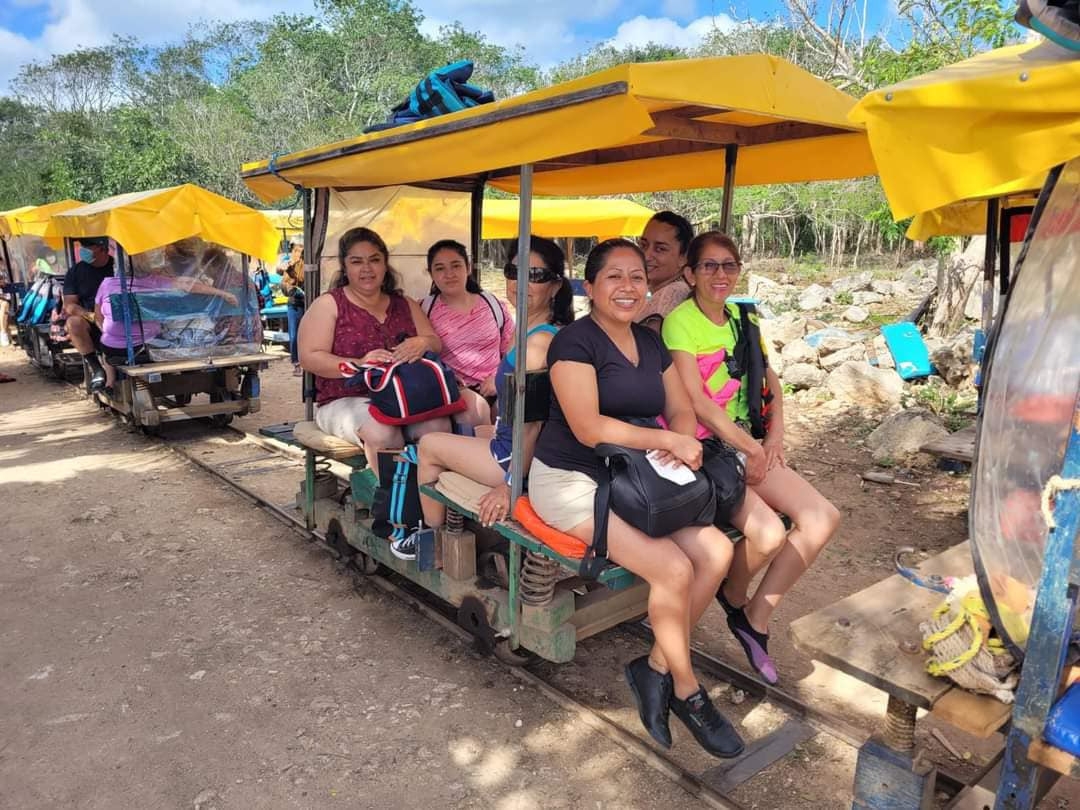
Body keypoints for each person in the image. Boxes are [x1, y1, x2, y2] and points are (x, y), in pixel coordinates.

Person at [528, 237, 743, 759]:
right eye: (615, 277)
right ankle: (689, 694)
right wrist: (666, 440)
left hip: (638, 473)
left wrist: (683, 440)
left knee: (716, 552)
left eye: (638, 277)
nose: (628, 287)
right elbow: (586, 426)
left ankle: (654, 669)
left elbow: (681, 406)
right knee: (673, 569)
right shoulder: (575, 343)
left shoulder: (649, 343)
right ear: (590, 286)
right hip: (573, 478)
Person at [662, 232, 840, 685]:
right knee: (767, 535)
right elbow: (697, 400)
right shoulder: (680, 323)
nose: (720, 275)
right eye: (709, 266)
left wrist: (774, 437)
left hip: (750, 446)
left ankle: (752, 618)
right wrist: (751, 448)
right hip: (715, 451)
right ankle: (732, 592)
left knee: (822, 517)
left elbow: (771, 383)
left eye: (728, 266)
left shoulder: (744, 320)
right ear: (690, 274)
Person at [417, 236, 573, 545]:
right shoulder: (530, 331)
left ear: (555, 286)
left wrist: (509, 486)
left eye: (536, 275)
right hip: (518, 443)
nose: (520, 281)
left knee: (428, 445)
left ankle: (433, 541)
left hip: (514, 458)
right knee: (472, 430)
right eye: (514, 271)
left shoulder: (537, 345)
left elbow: (531, 426)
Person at [297, 226, 448, 475]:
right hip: (343, 401)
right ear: (345, 268)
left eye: (374, 260)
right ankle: (394, 503)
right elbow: (309, 357)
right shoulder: (330, 304)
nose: (367, 269)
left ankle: (432, 501)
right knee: (383, 431)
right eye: (357, 262)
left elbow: (435, 342)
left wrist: (422, 343)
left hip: (403, 398)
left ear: (385, 265)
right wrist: (359, 363)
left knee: (438, 425)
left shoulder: (404, 304)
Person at [93, 250, 239, 391]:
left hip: (112, 349)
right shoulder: (154, 281)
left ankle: (109, 381)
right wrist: (222, 293)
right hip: (147, 348)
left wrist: (113, 333)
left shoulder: (107, 284)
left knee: (105, 340)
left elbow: (98, 317)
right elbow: (189, 285)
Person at [421, 239, 514, 426]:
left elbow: (511, 349)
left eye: (456, 265)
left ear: (468, 267)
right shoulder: (423, 310)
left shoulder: (492, 304)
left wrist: (498, 377)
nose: (449, 274)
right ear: (431, 274)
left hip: (496, 385)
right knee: (476, 411)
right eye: (440, 268)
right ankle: (483, 454)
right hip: (453, 391)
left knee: (514, 412)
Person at [63, 238, 115, 392]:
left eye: (88, 246)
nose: (83, 249)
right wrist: (90, 315)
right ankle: (96, 368)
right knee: (73, 323)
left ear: (102, 248)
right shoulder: (76, 272)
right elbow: (69, 305)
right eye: (82, 245)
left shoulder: (118, 267)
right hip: (90, 319)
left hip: (117, 317)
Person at [637, 211, 694, 331]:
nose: (646, 256)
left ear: (684, 257)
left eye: (660, 249)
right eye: (643, 245)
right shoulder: (663, 292)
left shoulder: (673, 293)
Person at [277, 239, 305, 376]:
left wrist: (293, 270)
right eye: (295, 250)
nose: (296, 253)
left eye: (299, 251)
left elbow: (302, 279)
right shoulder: (288, 262)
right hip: (294, 304)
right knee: (294, 335)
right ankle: (296, 363)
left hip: (307, 302)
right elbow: (279, 271)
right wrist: (286, 267)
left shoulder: (305, 265)